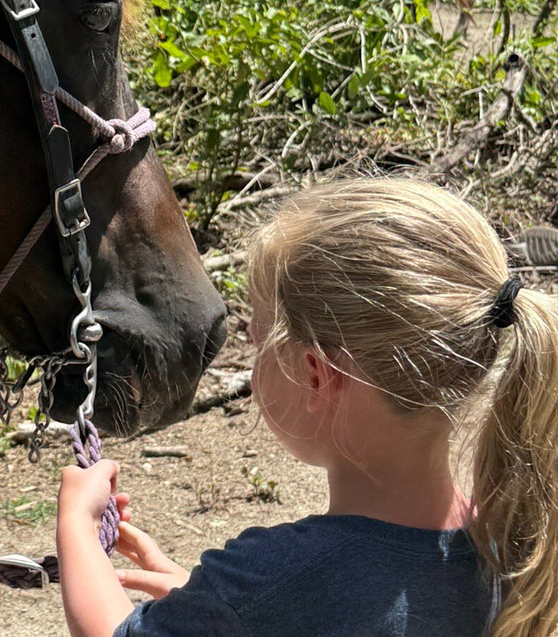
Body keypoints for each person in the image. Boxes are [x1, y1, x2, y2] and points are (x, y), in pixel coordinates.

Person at [56, 178, 558, 637]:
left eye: (258, 344)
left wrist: (77, 523)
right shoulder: (508, 551)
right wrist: (224, 614)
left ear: (316, 375)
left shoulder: (269, 577)